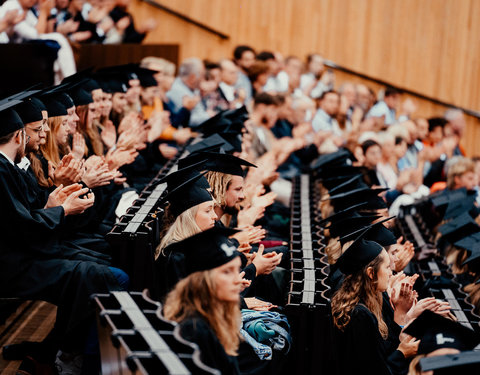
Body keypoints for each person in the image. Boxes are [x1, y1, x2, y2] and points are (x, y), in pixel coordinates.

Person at [331, 228, 419, 375]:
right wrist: (402, 353)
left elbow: (380, 353)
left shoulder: (359, 303)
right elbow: (374, 369)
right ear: (371, 273)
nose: (391, 271)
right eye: (386, 267)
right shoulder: (359, 315)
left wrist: (399, 311)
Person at [163, 226, 243, 374]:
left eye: (237, 270)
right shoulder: (194, 331)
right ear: (203, 281)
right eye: (227, 271)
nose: (238, 280)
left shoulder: (211, 318)